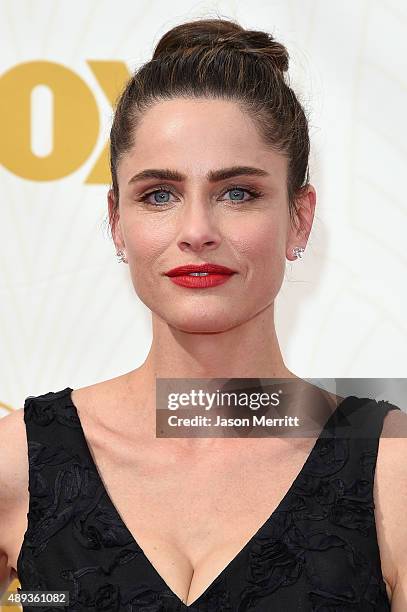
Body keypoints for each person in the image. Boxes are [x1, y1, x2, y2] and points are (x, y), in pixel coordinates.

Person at [1, 16, 407, 611]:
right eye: (158, 195)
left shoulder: (390, 466)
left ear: (298, 217)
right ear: (117, 221)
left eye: (237, 192)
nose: (196, 231)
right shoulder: (19, 462)